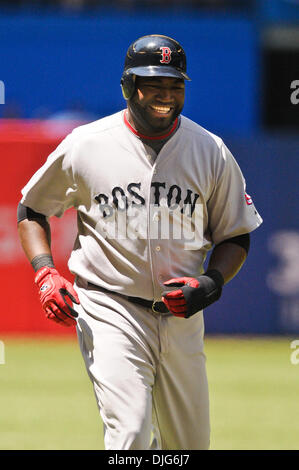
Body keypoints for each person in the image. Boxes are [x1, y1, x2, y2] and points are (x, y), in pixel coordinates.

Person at [17, 34, 262, 450]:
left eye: (174, 84)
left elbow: (235, 235)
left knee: (189, 447)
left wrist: (212, 282)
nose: (165, 95)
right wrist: (45, 273)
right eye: (154, 84)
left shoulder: (211, 151)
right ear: (128, 86)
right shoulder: (87, 144)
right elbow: (31, 210)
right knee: (129, 435)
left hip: (182, 315)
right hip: (110, 307)